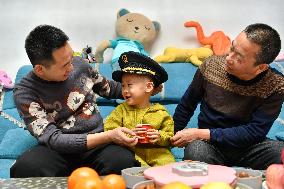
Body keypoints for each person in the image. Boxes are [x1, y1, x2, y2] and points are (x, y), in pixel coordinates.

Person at [11, 25, 142, 178]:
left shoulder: (80, 64)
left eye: (71, 57)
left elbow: (109, 88)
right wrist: (110, 136)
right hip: (57, 150)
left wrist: (142, 89)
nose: (72, 66)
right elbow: (54, 139)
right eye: (65, 65)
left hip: (97, 143)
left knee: (123, 162)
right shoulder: (25, 92)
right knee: (26, 168)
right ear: (40, 69)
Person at [171, 23, 284, 170]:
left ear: (261, 67)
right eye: (232, 48)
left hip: (249, 147)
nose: (229, 58)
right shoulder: (210, 66)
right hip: (209, 145)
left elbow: (255, 132)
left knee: (280, 152)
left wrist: (201, 133)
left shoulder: (275, 85)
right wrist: (168, 136)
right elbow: (187, 105)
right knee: (196, 151)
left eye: (239, 58)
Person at [104, 51, 176, 166]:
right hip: (131, 152)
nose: (125, 90)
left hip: (158, 153)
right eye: (123, 85)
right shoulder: (121, 110)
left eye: (129, 85)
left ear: (148, 87)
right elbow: (110, 130)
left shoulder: (161, 112)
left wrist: (159, 136)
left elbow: (170, 137)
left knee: (169, 166)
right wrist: (130, 135)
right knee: (135, 167)